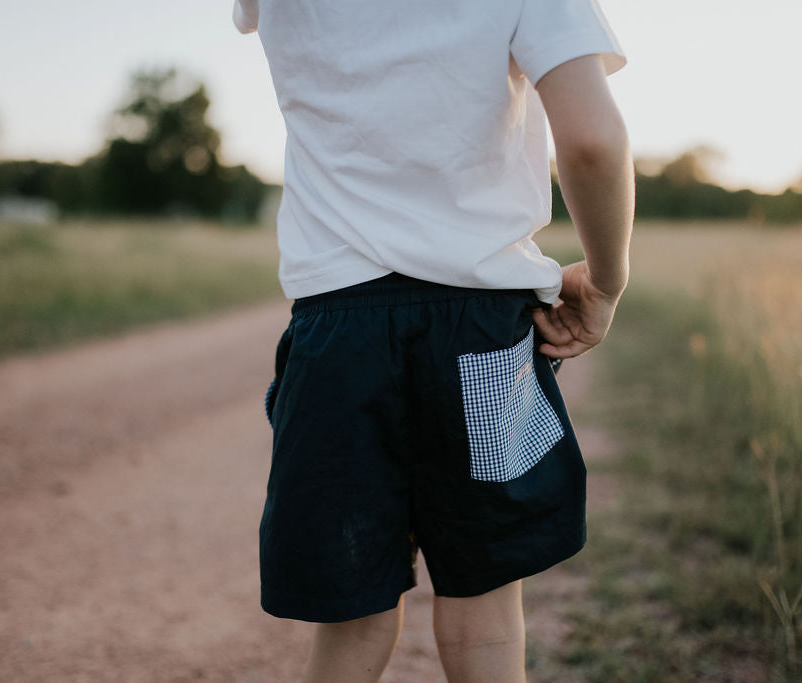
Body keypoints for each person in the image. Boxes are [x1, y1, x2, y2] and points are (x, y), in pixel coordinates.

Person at [233, 1, 634, 680]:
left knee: (352, 610)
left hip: (337, 330)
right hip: (481, 334)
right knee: (483, 593)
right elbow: (593, 142)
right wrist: (606, 281)